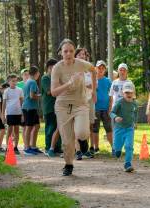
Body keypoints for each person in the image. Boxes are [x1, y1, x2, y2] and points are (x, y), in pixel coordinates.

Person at [51, 39, 96, 176]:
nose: (69, 54)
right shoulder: (57, 68)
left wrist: (93, 90)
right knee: (67, 141)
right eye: (65, 51)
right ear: (60, 53)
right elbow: (53, 92)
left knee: (82, 132)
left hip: (80, 104)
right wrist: (69, 83)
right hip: (63, 106)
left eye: (71, 51)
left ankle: (83, 142)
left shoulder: (81, 64)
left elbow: (93, 70)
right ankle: (68, 164)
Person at [110, 82, 138, 172]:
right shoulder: (120, 102)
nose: (129, 94)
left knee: (129, 146)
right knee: (117, 147)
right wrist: (116, 117)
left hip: (129, 128)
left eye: (130, 92)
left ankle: (127, 163)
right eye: (126, 92)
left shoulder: (135, 104)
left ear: (133, 93)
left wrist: (135, 122)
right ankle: (116, 149)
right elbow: (111, 112)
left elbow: (135, 113)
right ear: (122, 93)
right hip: (119, 128)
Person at [74, 47, 95, 159]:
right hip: (77, 100)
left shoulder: (89, 69)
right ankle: (77, 151)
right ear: (75, 56)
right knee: (76, 125)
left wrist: (93, 90)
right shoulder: (73, 68)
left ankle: (85, 149)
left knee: (88, 125)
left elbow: (93, 84)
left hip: (89, 100)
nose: (82, 56)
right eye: (80, 54)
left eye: (84, 54)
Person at [41, 58, 62, 157]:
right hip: (49, 107)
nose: (54, 69)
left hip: (58, 106)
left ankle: (57, 147)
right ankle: (48, 147)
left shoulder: (57, 78)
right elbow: (49, 91)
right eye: (52, 67)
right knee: (50, 128)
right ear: (48, 68)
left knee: (59, 127)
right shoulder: (45, 78)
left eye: (55, 67)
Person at [92, 60, 113, 154]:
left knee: (108, 128)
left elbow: (111, 95)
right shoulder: (93, 80)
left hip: (105, 109)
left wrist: (110, 107)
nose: (100, 70)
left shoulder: (108, 81)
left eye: (102, 68)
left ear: (105, 70)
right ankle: (96, 148)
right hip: (95, 108)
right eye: (99, 68)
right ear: (95, 68)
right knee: (95, 129)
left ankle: (114, 148)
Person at [22, 66, 43, 155]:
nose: (39, 75)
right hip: (29, 107)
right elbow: (31, 96)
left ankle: (33, 146)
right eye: (38, 73)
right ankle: (27, 148)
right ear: (36, 73)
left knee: (37, 126)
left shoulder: (28, 81)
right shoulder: (33, 82)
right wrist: (40, 96)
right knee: (29, 127)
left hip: (32, 108)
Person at [2, 74, 24, 154]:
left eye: (16, 81)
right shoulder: (6, 91)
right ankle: (8, 147)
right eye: (13, 81)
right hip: (10, 113)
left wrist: (22, 114)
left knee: (17, 131)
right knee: (9, 131)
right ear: (9, 82)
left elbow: (22, 102)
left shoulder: (20, 90)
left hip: (18, 113)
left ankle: (15, 147)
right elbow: (4, 104)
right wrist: (3, 115)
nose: (15, 82)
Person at [17, 68, 29, 150]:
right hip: (21, 108)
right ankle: (25, 145)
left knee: (30, 127)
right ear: (22, 76)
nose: (26, 76)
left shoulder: (31, 83)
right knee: (24, 127)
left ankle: (30, 145)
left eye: (28, 74)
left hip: (30, 108)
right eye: (25, 74)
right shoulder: (18, 85)